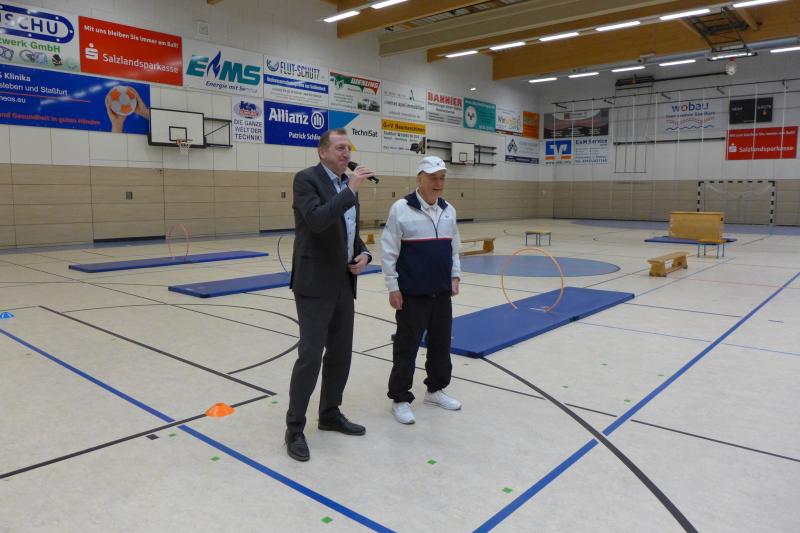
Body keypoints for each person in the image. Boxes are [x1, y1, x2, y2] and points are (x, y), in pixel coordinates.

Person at [285, 128, 375, 461]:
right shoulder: (306, 180)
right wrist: (350, 189)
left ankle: (330, 413)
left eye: (348, 148)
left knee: (340, 353)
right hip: (314, 283)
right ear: (322, 152)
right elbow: (318, 220)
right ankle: (294, 428)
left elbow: (349, 232)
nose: (346, 153)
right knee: (310, 356)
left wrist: (364, 253)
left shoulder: (346, 185)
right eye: (339, 148)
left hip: (343, 283)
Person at [380, 155, 462, 425]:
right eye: (433, 178)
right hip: (412, 294)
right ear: (420, 179)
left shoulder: (448, 210)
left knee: (441, 344)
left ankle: (435, 390)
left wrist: (455, 275)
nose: (438, 183)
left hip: (441, 292)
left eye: (442, 178)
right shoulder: (401, 209)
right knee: (407, 347)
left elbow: (454, 248)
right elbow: (388, 251)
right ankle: (400, 398)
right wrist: (393, 287)